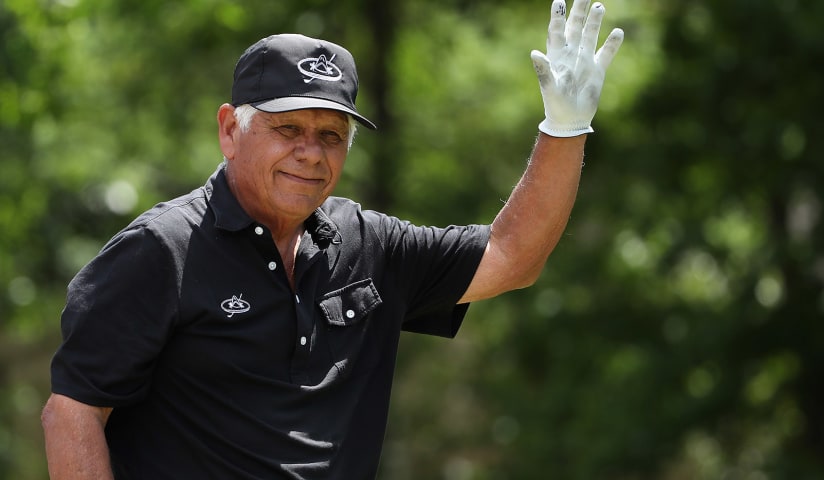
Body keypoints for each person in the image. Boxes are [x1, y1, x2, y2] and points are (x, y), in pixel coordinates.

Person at [41, 0, 623, 478]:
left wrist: (563, 130)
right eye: (287, 128)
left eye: (331, 134)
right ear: (229, 130)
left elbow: (512, 257)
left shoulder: (368, 244)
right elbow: (73, 412)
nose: (310, 153)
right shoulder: (161, 249)